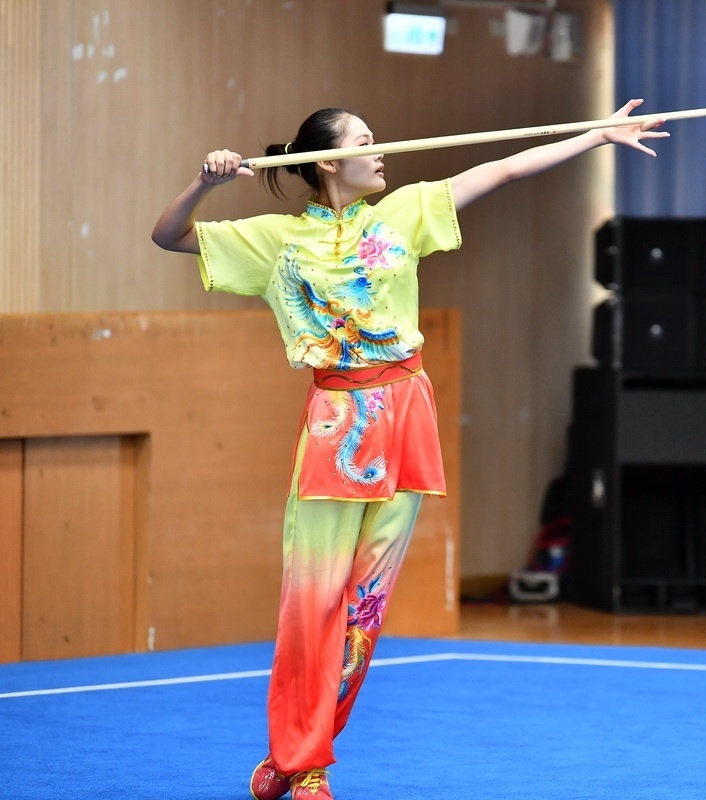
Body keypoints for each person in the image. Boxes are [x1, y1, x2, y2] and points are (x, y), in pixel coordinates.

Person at [152, 101, 668, 800]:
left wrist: (593, 137)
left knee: (364, 606)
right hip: (338, 424)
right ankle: (303, 766)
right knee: (315, 601)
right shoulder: (276, 240)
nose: (381, 150)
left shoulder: (403, 215)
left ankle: (297, 754)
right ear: (329, 162)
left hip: (407, 417)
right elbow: (168, 236)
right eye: (366, 142)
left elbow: (507, 167)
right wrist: (206, 182)